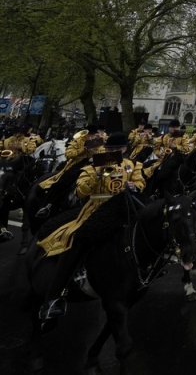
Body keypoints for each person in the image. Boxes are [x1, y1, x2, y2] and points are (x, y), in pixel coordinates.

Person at [37, 132, 145, 322]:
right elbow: (81, 191)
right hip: (97, 209)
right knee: (77, 241)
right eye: (112, 150)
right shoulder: (96, 162)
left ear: (125, 149)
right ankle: (53, 297)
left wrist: (135, 186)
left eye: (118, 150)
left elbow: (140, 182)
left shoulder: (133, 165)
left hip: (124, 208)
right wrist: (96, 173)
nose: (116, 153)